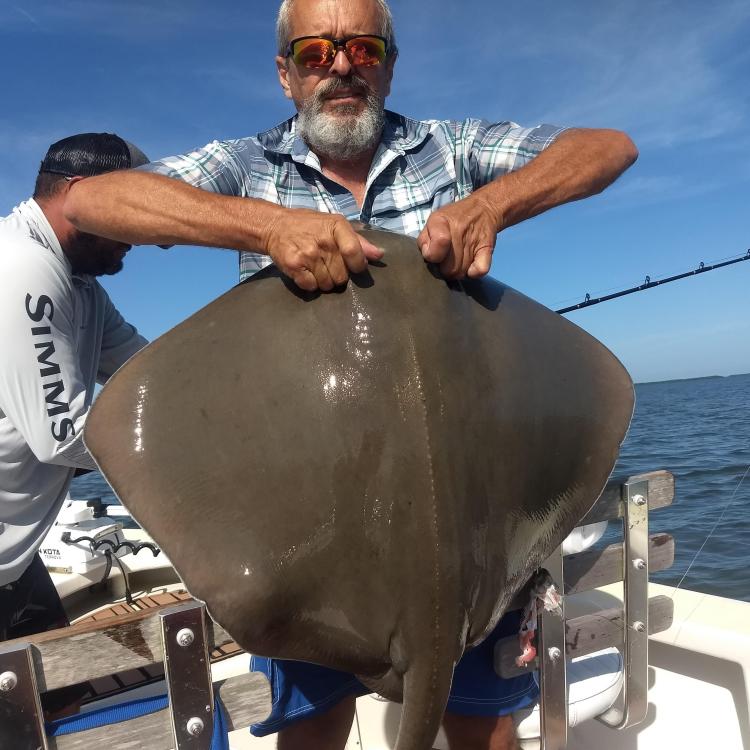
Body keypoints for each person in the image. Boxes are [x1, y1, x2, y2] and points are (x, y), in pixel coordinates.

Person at [62, 1, 638, 747]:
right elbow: (92, 200)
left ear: (390, 64)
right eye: (314, 52)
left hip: (471, 513)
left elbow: (608, 147)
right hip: (305, 521)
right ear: (285, 73)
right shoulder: (246, 166)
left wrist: (492, 205)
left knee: (486, 732)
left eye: (363, 49)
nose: (340, 66)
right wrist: (264, 226)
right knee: (313, 731)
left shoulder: (451, 148)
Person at [0, 133, 150, 644]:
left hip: (15, 561)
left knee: (57, 698)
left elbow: (147, 367)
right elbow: (63, 435)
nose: (141, 235)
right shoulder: (22, 266)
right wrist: (197, 449)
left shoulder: (83, 287)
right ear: (83, 194)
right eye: (133, 211)